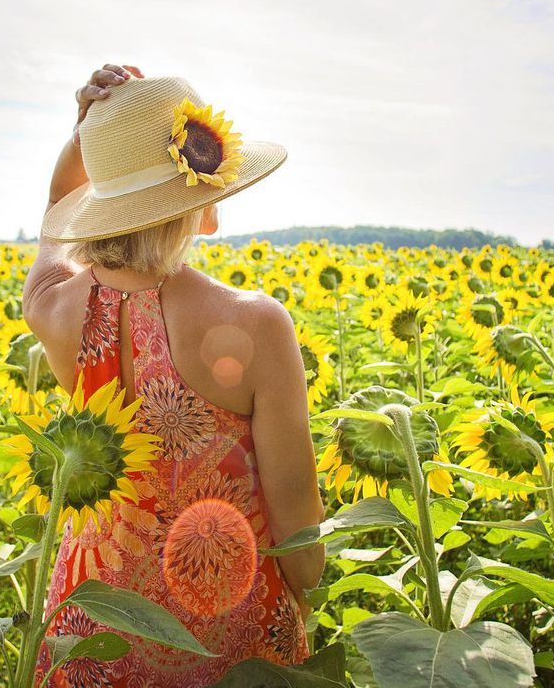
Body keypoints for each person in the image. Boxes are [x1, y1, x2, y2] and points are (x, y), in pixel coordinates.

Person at [22, 64, 326, 686]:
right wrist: (307, 605)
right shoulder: (256, 323)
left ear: (99, 203)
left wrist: (87, 137)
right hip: (227, 622)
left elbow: (54, 215)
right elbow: (294, 504)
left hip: (92, 623)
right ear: (200, 202)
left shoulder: (53, 307)